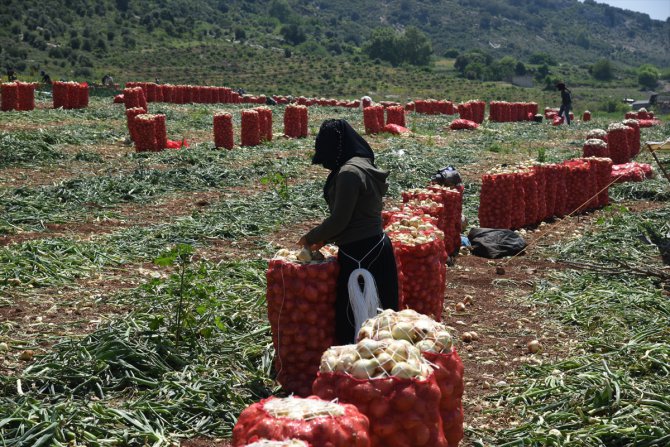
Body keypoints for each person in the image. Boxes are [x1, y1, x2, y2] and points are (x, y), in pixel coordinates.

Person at [299, 119, 399, 344]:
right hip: (378, 246)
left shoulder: (348, 173)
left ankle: (359, 370)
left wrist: (311, 238)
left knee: (355, 316)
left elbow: (340, 220)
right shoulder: (362, 162)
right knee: (381, 312)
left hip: (359, 253)